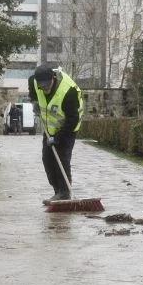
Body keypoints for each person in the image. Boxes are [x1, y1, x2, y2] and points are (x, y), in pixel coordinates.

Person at [28, 63, 83, 204]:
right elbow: (31, 86)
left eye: (47, 86)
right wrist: (33, 100)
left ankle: (64, 193)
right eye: (41, 86)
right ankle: (57, 191)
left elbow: (73, 119)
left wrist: (57, 138)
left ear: (53, 78)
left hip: (68, 128)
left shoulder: (68, 92)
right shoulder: (35, 81)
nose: (44, 89)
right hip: (50, 129)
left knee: (62, 159)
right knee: (47, 160)